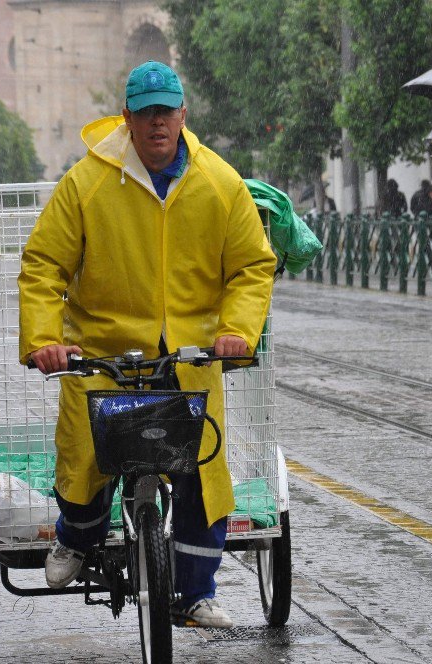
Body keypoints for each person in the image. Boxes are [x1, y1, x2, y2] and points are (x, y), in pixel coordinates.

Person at [17, 61, 276, 628]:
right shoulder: (87, 182)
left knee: (200, 474)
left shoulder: (219, 182)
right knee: (85, 461)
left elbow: (253, 266)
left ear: (184, 114)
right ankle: (75, 538)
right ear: (127, 117)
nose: (158, 122)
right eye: (147, 111)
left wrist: (237, 330)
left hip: (191, 355)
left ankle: (196, 593)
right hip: (104, 356)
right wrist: (44, 339)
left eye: (168, 110)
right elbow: (43, 266)